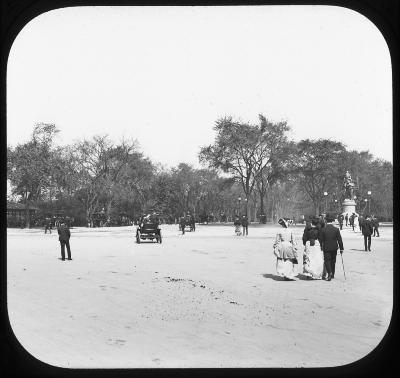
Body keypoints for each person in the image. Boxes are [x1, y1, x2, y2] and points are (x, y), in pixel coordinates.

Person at [319, 213, 344, 281]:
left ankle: (329, 272)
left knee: (327, 261)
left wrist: (321, 247)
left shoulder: (323, 229)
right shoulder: (336, 229)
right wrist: (341, 248)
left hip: (326, 247)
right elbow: (340, 240)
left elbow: (320, 240)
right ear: (332, 221)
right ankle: (332, 274)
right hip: (334, 247)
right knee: (333, 261)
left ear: (326, 221)